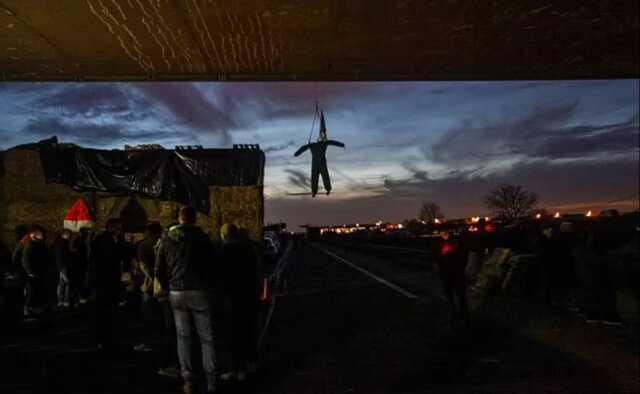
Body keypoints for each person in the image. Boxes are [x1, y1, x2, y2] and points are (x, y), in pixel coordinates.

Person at [156, 206, 217, 394]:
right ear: (194, 219)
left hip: (176, 292)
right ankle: (211, 381)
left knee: (183, 337)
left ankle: (188, 380)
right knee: (206, 338)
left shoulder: (167, 239)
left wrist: (168, 287)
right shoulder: (203, 239)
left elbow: (158, 269)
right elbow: (212, 266)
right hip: (199, 291)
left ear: (179, 218)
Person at [219, 224, 259, 381]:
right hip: (247, 296)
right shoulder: (248, 250)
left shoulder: (223, 252)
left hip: (231, 297)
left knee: (232, 335)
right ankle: (250, 363)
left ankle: (236, 368)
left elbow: (221, 277)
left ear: (224, 235)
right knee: (247, 331)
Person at [89, 218, 125, 352]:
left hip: (102, 281)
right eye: (118, 227)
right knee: (106, 311)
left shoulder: (103, 240)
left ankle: (103, 338)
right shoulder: (107, 241)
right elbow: (112, 259)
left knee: (103, 312)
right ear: (112, 228)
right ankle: (105, 340)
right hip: (106, 281)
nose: (120, 230)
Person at [294, 110, 345, 197]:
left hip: (321, 163)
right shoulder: (313, 144)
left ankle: (327, 189)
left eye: (323, 136)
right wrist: (297, 153)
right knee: (314, 178)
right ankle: (314, 192)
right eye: (322, 136)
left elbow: (333, 142)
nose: (323, 137)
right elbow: (304, 148)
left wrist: (342, 145)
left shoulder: (324, 143)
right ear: (318, 138)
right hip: (315, 164)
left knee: (325, 176)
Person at [132, 222, 163, 353]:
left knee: (147, 315)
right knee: (161, 314)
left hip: (149, 284)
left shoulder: (143, 245)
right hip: (164, 284)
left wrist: (152, 278)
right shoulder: (164, 244)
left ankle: (148, 342)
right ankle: (162, 339)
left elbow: (143, 265)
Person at [434, 230, 470, 326]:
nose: (444, 235)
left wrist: (461, 267)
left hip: (457, 272)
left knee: (461, 294)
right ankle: (453, 312)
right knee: (449, 294)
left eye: (445, 233)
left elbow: (464, 255)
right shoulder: (438, 244)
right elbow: (436, 258)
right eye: (442, 233)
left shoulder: (457, 242)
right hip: (446, 273)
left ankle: (464, 315)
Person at [21, 225, 49, 317]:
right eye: (40, 234)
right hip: (33, 274)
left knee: (37, 291)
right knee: (31, 292)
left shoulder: (39, 245)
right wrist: (30, 272)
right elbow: (25, 260)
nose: (43, 236)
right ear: (33, 235)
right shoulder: (30, 246)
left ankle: (33, 308)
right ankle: (27, 310)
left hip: (39, 272)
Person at [54, 229, 74, 309]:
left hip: (61, 266)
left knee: (62, 284)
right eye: (70, 235)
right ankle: (65, 301)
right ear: (66, 234)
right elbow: (62, 256)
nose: (70, 237)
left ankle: (60, 301)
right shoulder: (63, 243)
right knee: (66, 283)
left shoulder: (59, 242)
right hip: (63, 266)